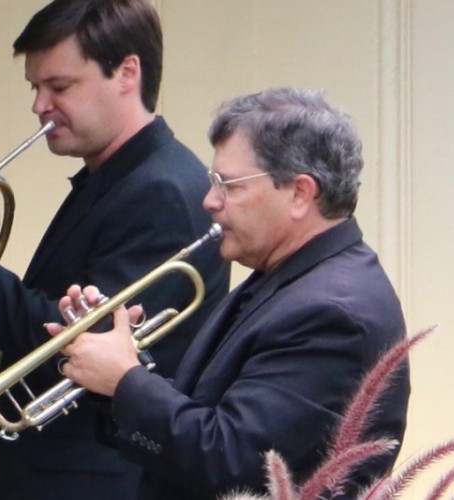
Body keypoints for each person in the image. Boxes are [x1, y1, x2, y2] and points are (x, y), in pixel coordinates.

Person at [0, 0, 230, 499]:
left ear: (127, 73)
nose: (39, 106)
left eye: (59, 86)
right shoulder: (116, 179)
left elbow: (77, 345)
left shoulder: (162, 192)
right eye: (35, 87)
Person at [49, 87, 411, 499]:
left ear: (299, 193)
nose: (209, 201)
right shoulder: (293, 275)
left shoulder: (333, 312)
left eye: (229, 185)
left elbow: (236, 461)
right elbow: (218, 413)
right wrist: (118, 361)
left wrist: (127, 381)